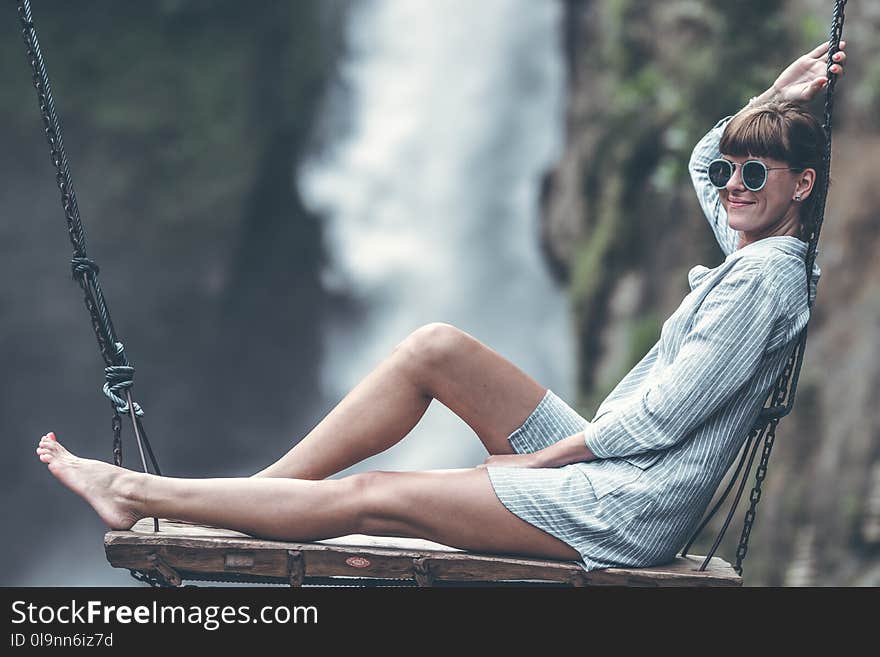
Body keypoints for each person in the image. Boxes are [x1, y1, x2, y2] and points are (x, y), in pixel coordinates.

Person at [36, 40, 847, 572]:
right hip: (609, 463)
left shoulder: (766, 278)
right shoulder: (763, 246)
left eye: (756, 175)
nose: (732, 187)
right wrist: (774, 96)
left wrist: (535, 463)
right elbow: (710, 157)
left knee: (378, 494)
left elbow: (658, 422)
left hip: (626, 503)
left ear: (802, 186)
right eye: (732, 175)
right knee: (435, 347)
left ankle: (136, 491)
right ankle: (257, 501)